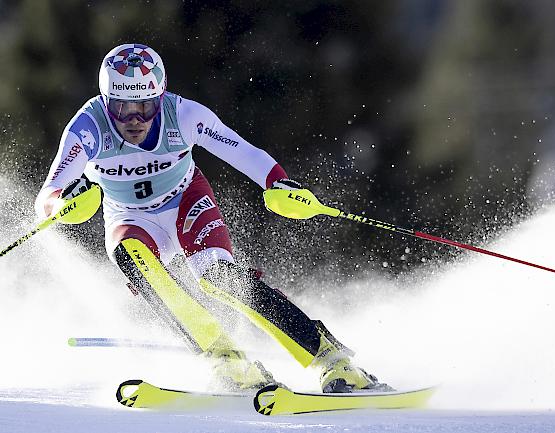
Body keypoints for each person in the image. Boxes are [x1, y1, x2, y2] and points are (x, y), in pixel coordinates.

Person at [35, 43, 390, 393]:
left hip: (186, 202)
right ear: (105, 101)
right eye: (122, 108)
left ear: (161, 97)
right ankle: (228, 362)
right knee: (134, 261)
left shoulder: (185, 115)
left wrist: (279, 183)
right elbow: (48, 194)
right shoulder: (88, 127)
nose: (134, 120)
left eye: (145, 107)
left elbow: (244, 152)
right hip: (130, 218)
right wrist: (60, 205)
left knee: (220, 277)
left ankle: (331, 359)